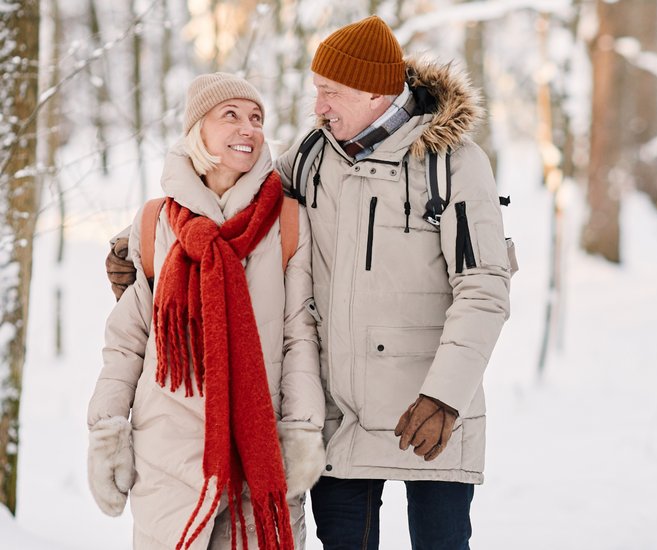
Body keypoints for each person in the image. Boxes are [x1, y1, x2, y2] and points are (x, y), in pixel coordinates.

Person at [108, 16, 512, 550]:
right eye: (317, 91)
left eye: (330, 92)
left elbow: (483, 286)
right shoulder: (312, 156)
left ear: (374, 90)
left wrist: (445, 395)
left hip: (428, 416)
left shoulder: (453, 164)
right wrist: (138, 241)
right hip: (339, 418)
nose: (318, 105)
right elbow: (231, 199)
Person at [88, 73, 325, 550]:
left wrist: (300, 430)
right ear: (198, 129)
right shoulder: (156, 220)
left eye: (256, 118)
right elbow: (128, 340)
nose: (248, 129)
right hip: (168, 458)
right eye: (230, 116)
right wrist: (107, 429)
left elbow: (299, 336)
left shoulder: (287, 220)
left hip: (256, 456)